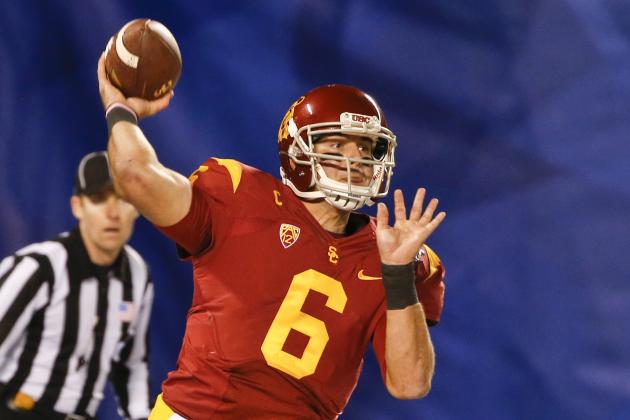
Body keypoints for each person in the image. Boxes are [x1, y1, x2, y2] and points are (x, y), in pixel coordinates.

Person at [97, 52, 446, 420]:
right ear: (297, 153)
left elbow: (409, 385)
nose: (355, 161)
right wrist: (120, 109)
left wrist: (397, 275)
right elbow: (135, 174)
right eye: (337, 146)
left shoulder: (395, 253)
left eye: (365, 147)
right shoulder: (238, 196)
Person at [0, 152, 154, 420]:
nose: (112, 212)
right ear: (77, 206)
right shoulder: (40, 267)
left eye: (123, 199)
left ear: (138, 206)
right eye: (98, 199)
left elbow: (132, 365)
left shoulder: (137, 274)